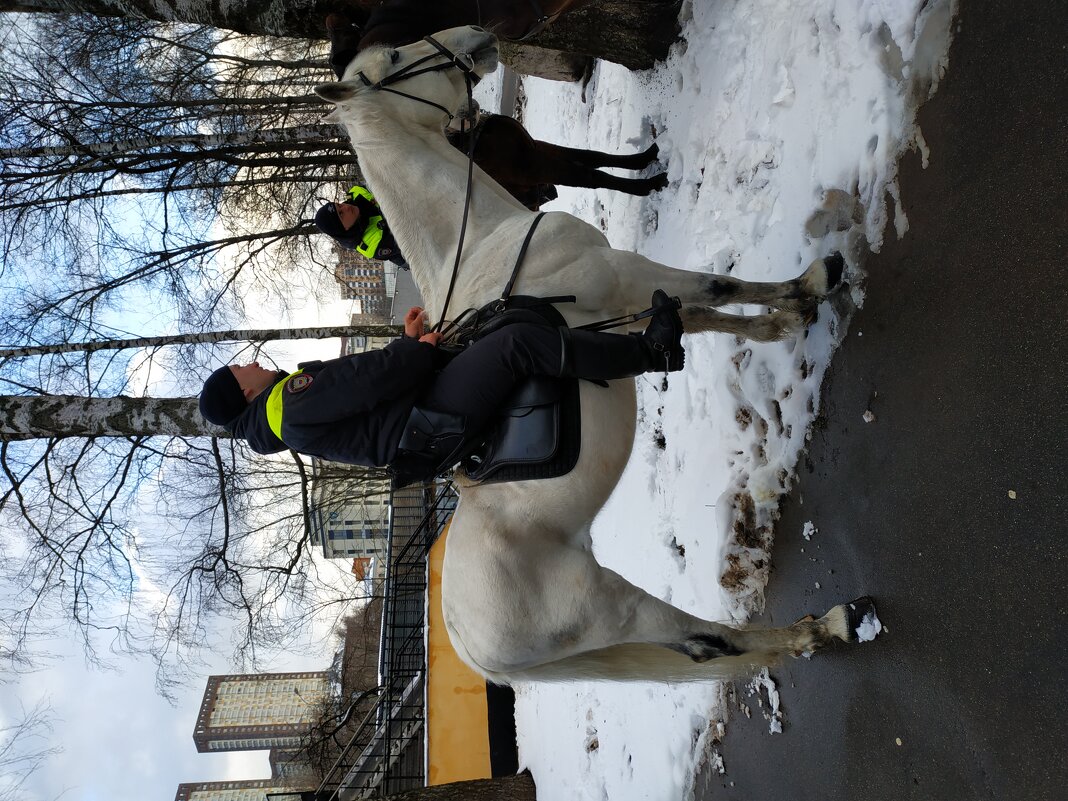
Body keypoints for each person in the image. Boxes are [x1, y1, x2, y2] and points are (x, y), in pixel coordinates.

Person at [198, 293, 685, 469]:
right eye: (241, 369)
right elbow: (370, 383)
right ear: (244, 392)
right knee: (513, 344)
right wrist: (416, 352)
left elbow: (365, 389)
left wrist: (407, 342)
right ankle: (652, 352)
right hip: (429, 416)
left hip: (416, 418)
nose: (251, 363)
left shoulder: (285, 418)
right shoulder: (286, 404)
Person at [313, 185, 406, 265]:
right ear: (344, 229)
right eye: (341, 214)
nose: (346, 207)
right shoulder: (370, 245)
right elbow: (409, 236)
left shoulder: (356, 192)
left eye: (339, 205)